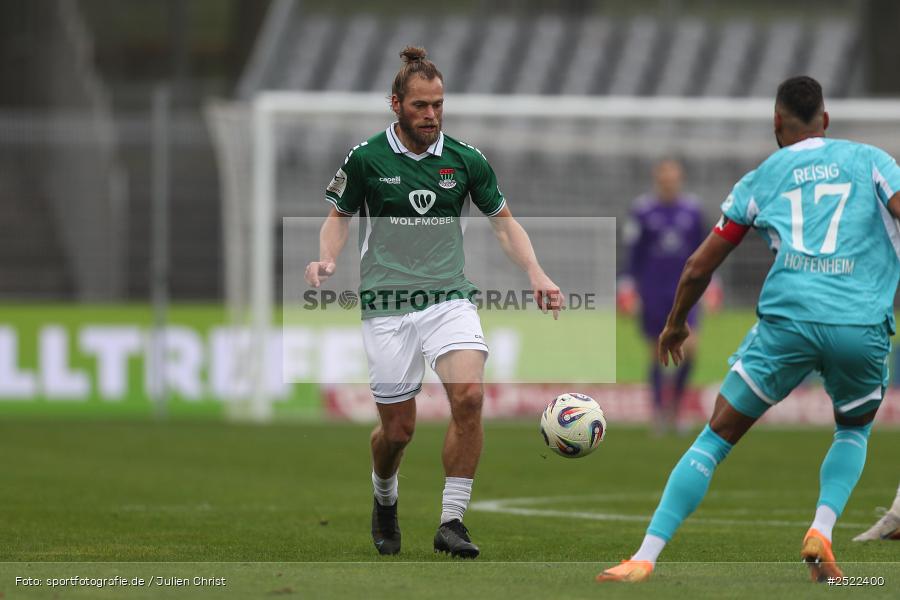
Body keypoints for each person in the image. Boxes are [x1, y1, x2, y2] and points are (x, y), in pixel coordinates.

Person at [597, 75, 900, 583]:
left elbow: (698, 266)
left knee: (715, 439)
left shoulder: (763, 176)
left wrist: (675, 324)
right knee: (853, 428)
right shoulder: (874, 161)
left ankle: (643, 558)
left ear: (777, 124)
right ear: (825, 120)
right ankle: (821, 530)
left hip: (789, 323)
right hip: (860, 325)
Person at [305, 46, 562, 559]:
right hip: (387, 304)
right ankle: (384, 498)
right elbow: (338, 216)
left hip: (448, 296)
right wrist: (326, 260)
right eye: (421, 105)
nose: (431, 115)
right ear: (395, 103)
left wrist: (535, 271)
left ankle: (452, 521)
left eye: (438, 105)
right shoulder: (366, 158)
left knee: (468, 397)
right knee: (397, 432)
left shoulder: (467, 160)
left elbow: (503, 224)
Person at [618, 159, 720, 433]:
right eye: (664, 178)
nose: (669, 182)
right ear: (657, 179)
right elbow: (633, 254)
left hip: (687, 289)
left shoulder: (693, 210)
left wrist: (713, 284)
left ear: (680, 179)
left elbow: (708, 249)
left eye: (673, 178)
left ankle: (676, 407)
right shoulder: (642, 211)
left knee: (691, 348)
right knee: (657, 352)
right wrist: (627, 288)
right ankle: (658, 413)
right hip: (652, 290)